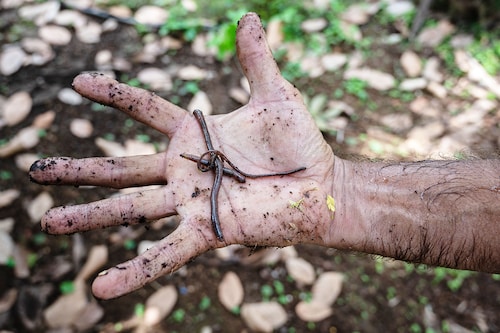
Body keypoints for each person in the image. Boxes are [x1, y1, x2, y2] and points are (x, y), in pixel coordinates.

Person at [29, 12, 500, 300]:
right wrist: (340, 190)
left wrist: (336, 190)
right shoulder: (211, 162)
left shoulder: (220, 165)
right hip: (235, 178)